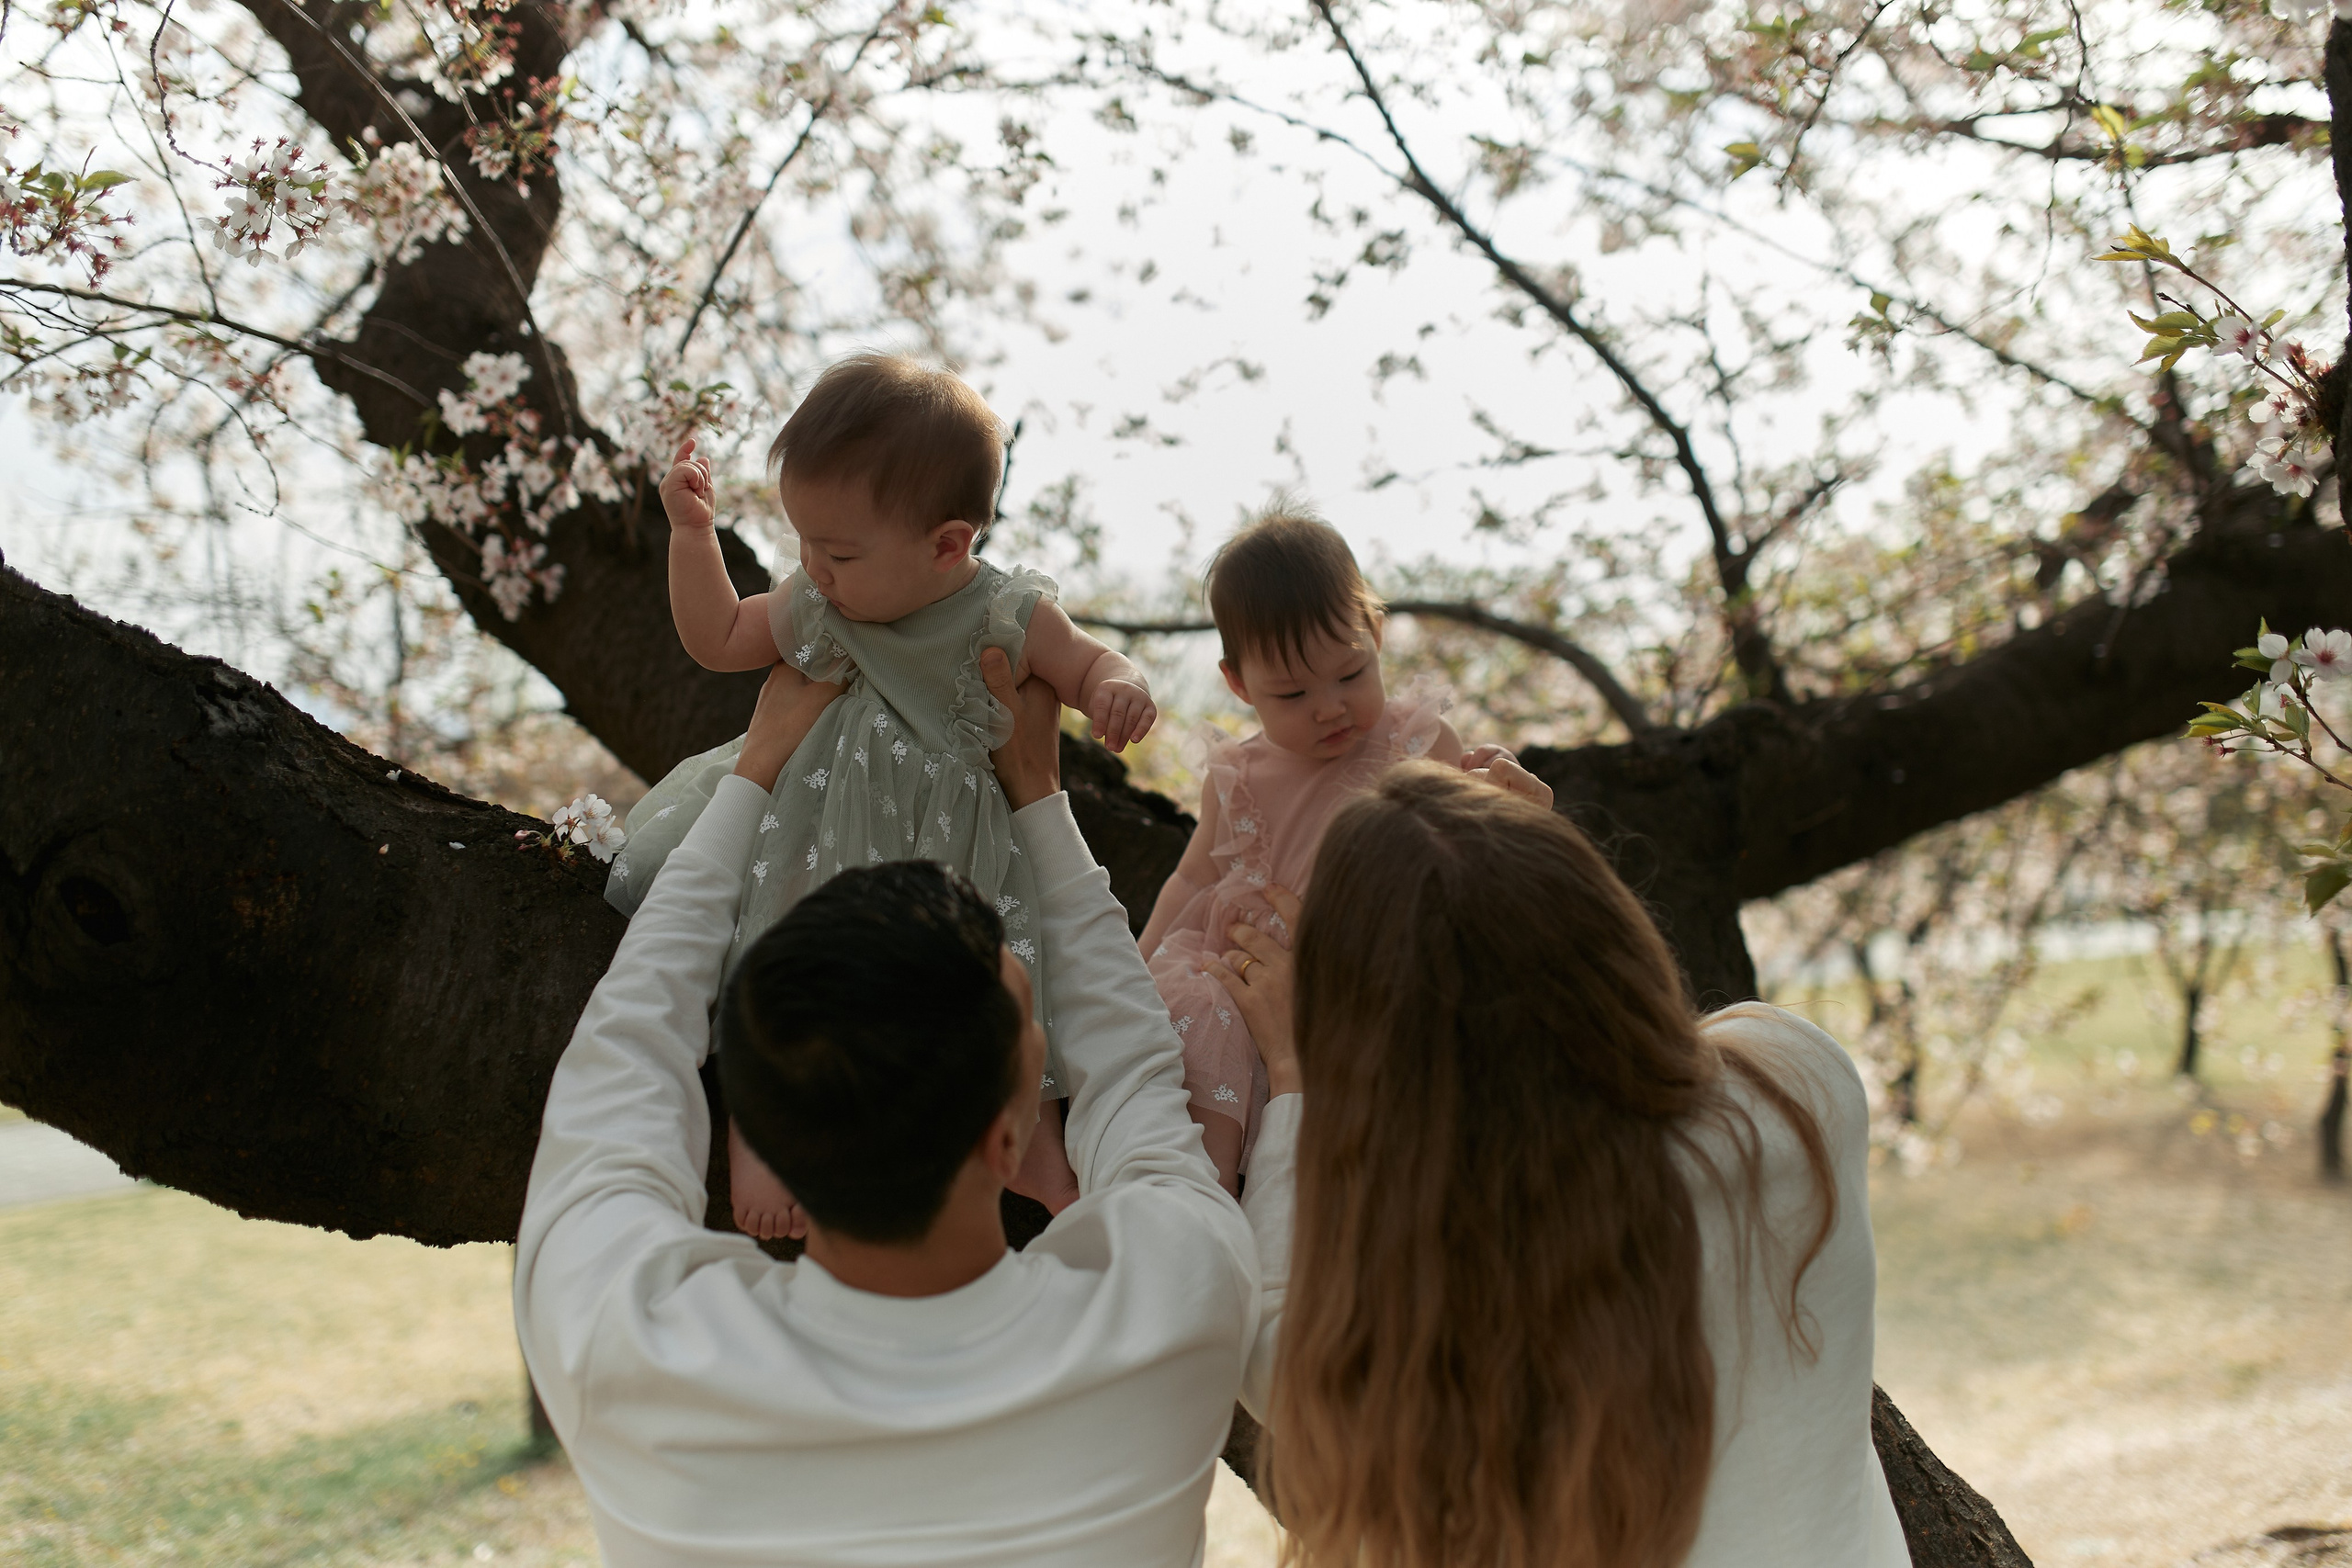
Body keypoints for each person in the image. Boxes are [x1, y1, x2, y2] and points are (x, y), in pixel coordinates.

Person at [514, 651, 1267, 1567]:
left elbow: (627, 1046)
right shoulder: (1173, 1310)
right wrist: (1037, 798)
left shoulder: (626, 1350)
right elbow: (1137, 1082)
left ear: (763, 1131)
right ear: (1009, 1136)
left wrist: (755, 771)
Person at [1211, 763, 1910, 1568]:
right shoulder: (1803, 1082)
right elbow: (1638, 1044)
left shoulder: (1434, 1283)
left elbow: (1275, 1341)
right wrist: (1519, 884)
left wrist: (1297, 1076)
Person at [607, 354, 1153, 1232]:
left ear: (948, 544)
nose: (813, 569)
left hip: (957, 863)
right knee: (780, 961)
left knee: (1003, 982)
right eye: (804, 545)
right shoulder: (822, 606)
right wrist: (691, 536)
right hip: (817, 831)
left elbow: (1089, 664)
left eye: (838, 552)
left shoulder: (1002, 613)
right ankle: (761, 1131)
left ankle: (1033, 1139)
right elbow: (720, 635)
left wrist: (1118, 686)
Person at [1136, 505, 1524, 1197]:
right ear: (1238, 684)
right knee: (1202, 1021)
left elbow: (1464, 861)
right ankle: (1206, 1199)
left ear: (1375, 634)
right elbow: (1192, 877)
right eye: (1291, 692)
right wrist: (1136, 968)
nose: (1329, 707)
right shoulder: (1238, 776)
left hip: (1371, 958)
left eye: (1351, 674)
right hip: (1246, 966)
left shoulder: (1419, 742)